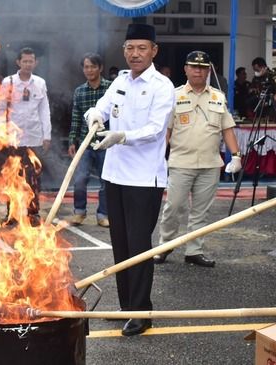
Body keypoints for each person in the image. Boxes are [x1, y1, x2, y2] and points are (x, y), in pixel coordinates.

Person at [85, 23, 174, 336]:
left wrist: (122, 136)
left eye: (142, 48)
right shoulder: (120, 81)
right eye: (130, 48)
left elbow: (154, 128)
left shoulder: (162, 86)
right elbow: (102, 107)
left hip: (144, 179)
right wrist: (94, 116)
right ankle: (127, 308)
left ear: (153, 51)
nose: (135, 54)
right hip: (115, 176)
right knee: (120, 245)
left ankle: (142, 312)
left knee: (138, 247)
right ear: (124, 51)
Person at [153, 51, 242, 268]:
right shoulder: (173, 96)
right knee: (173, 208)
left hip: (210, 164)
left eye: (202, 67)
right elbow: (166, 131)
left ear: (208, 70)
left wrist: (237, 155)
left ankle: (194, 250)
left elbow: (227, 128)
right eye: (193, 66)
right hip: (181, 162)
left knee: (201, 211)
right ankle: (165, 245)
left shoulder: (218, 97)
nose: (198, 71)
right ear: (185, 69)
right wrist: (156, 159)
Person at [0, 47, 51, 226]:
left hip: (34, 137)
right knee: (12, 176)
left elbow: (44, 110)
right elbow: (0, 109)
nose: (28, 64)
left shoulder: (40, 83)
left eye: (31, 61)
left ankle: (33, 213)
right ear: (18, 62)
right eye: (24, 61)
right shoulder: (8, 82)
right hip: (12, 138)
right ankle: (12, 213)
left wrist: (46, 135)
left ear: (36, 62)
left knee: (33, 177)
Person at [68, 52, 111, 227]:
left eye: (93, 66)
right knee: (80, 178)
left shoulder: (110, 88)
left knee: (105, 180)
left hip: (105, 142)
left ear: (100, 68)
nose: (89, 70)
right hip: (85, 143)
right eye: (86, 66)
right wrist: (72, 141)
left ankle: (103, 215)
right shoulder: (80, 91)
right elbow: (76, 117)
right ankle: (79, 212)